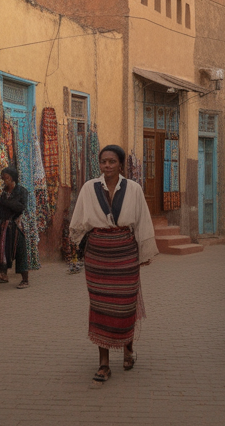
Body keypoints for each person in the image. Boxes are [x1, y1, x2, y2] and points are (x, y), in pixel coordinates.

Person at [69, 144, 157, 382]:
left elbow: (142, 222)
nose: (107, 166)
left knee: (125, 305)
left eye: (112, 162)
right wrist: (76, 244)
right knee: (100, 307)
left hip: (125, 253)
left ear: (121, 164)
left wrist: (144, 253)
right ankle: (104, 363)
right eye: (103, 162)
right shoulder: (89, 188)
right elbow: (78, 220)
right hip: (98, 254)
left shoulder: (134, 189)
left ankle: (128, 351)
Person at [0, 166, 30, 288]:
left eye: (6, 178)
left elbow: (20, 207)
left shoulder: (22, 191)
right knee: (1, 250)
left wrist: (5, 203)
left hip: (16, 225)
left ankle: (25, 279)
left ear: (12, 178)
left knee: (20, 251)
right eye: (3, 178)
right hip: (3, 226)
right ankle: (3, 275)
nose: (4, 180)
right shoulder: (4, 192)